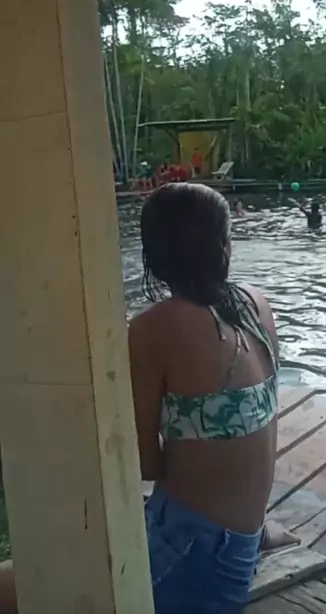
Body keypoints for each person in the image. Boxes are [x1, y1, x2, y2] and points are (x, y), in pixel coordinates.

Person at [0, 183, 291, 614]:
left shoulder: (156, 327)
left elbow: (146, 463)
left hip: (192, 558)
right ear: (224, 245)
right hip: (239, 545)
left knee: (16, 583)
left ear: (153, 256)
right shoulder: (255, 303)